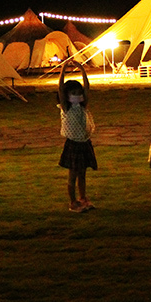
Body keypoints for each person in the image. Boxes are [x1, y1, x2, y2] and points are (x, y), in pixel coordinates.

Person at [58, 61, 97, 212]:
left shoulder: (82, 106)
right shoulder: (66, 108)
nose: (77, 96)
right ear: (68, 96)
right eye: (73, 93)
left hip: (84, 143)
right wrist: (62, 70)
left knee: (82, 173)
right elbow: (60, 89)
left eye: (78, 93)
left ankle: (83, 198)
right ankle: (73, 202)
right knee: (73, 175)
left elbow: (87, 88)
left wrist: (82, 69)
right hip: (73, 144)